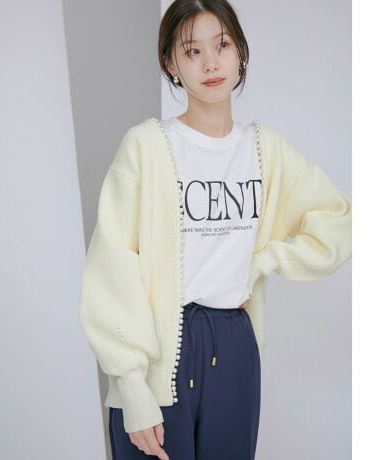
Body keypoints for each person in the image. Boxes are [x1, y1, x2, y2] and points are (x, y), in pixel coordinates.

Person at [79, 1, 352, 459]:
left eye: (222, 45)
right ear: (171, 63)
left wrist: (267, 260)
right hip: (161, 350)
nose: (210, 63)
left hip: (235, 341)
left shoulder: (266, 150)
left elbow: (341, 220)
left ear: (240, 52)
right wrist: (130, 385)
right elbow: (112, 264)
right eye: (192, 51)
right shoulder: (147, 146)